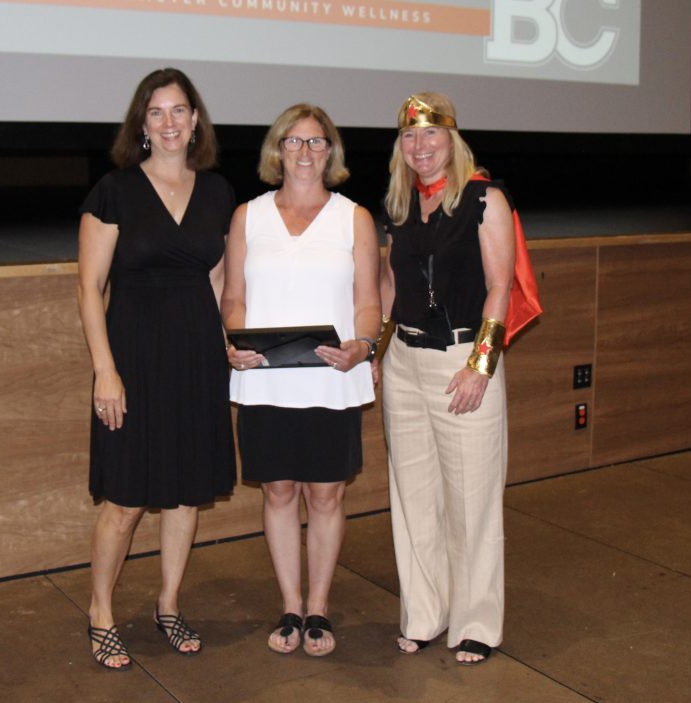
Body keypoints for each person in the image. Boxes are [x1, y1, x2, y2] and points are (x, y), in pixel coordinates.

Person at [77, 68, 236, 670]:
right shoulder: (114, 191)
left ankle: (168, 604)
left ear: (196, 120)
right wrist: (105, 371)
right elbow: (91, 288)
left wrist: (229, 344)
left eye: (179, 111)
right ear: (141, 125)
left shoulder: (218, 192)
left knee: (185, 495)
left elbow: (219, 279)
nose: (169, 123)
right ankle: (100, 611)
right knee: (124, 498)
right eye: (157, 113)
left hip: (196, 357)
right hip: (134, 358)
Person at [221, 104, 380, 657]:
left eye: (316, 143)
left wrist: (364, 346)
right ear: (277, 150)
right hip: (265, 380)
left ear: (330, 152)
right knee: (279, 491)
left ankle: (320, 608)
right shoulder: (249, 216)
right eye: (294, 142)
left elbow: (369, 302)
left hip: (331, 381)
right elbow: (234, 296)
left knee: (326, 495)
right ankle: (290, 605)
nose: (305, 153)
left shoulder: (353, 218)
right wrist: (232, 341)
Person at [379, 93, 515, 665]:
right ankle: (425, 613)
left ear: (452, 140)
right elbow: (391, 288)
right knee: (414, 501)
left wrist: (480, 366)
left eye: (431, 135)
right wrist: (372, 353)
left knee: (472, 501)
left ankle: (477, 622)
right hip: (404, 366)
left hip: (461, 362)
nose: (421, 147)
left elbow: (500, 287)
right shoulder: (399, 204)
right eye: (410, 137)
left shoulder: (485, 199)